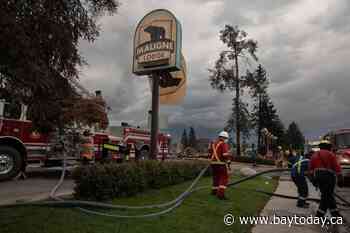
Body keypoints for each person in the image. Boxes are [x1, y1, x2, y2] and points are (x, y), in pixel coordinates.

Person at [309, 140, 343, 218]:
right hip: (328, 177)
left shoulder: (314, 155)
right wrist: (340, 179)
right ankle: (319, 215)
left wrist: (313, 181)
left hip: (318, 177)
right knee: (326, 196)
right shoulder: (330, 154)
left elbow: (310, 170)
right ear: (328, 147)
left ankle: (335, 213)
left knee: (328, 195)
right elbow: (337, 167)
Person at [208, 131, 232, 200]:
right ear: (224, 137)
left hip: (213, 163)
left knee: (216, 178)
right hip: (221, 164)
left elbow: (209, 153)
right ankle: (220, 194)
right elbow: (225, 155)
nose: (226, 140)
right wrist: (229, 161)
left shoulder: (213, 143)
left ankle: (214, 191)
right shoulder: (223, 144)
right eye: (226, 138)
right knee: (224, 178)